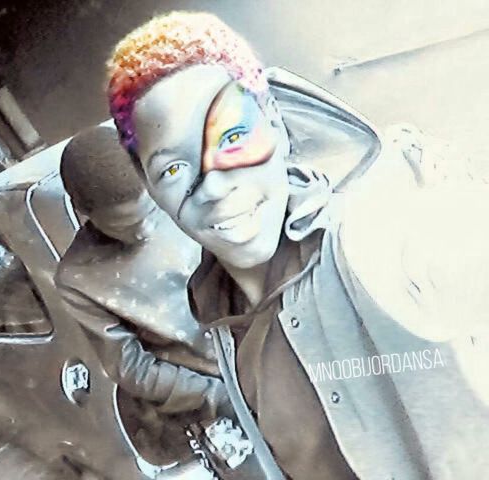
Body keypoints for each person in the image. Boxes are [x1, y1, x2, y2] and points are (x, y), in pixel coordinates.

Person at [106, 11, 489, 480]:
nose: (215, 185)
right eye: (174, 168)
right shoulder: (218, 309)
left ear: (274, 120)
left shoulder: (371, 234)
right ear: (148, 184)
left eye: (233, 137)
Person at [55, 125, 230, 463]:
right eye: (123, 226)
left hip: (276, 355)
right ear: (82, 210)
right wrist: (216, 395)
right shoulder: (78, 279)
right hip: (220, 396)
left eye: (150, 212)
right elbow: (132, 367)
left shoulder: (191, 198)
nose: (144, 231)